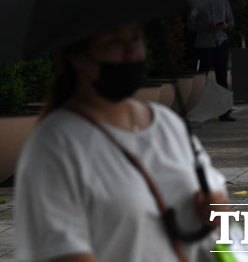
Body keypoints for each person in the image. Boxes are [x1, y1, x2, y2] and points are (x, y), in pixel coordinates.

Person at [15, 23, 229, 261]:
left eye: (135, 39)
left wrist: (216, 211)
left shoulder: (169, 125)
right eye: (114, 42)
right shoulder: (54, 144)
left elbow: (215, 212)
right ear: (78, 57)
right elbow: (62, 251)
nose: (132, 53)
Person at [188, 0, 236, 121]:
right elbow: (190, 24)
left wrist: (225, 26)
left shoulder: (224, 2)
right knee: (201, 77)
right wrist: (203, 26)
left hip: (221, 42)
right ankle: (199, 109)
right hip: (204, 44)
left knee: (222, 77)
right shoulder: (198, 3)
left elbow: (231, 24)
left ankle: (225, 111)